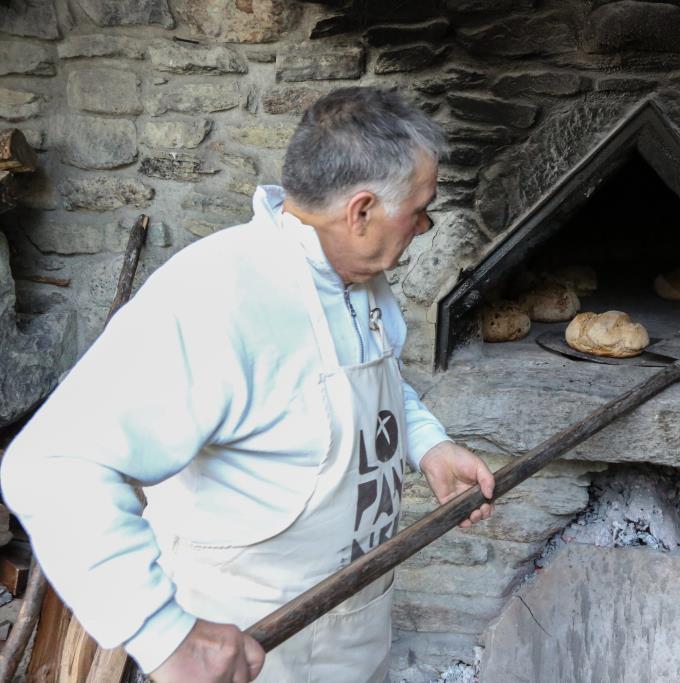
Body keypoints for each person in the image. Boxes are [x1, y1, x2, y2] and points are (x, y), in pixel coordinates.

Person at [0, 87, 495, 683]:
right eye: (419, 208)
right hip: (252, 655)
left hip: (357, 630)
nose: (425, 223)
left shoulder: (360, 278)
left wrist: (428, 443)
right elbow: (49, 464)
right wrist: (163, 635)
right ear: (360, 211)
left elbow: (382, 379)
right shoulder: (217, 298)